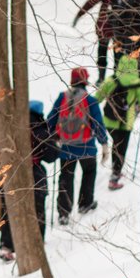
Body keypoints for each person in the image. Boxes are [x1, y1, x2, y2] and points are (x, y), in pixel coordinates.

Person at [0, 100, 59, 261]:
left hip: (9, 173)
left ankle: (6, 246)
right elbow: (52, 156)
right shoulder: (40, 130)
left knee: (8, 208)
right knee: (37, 209)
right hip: (34, 174)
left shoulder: (10, 126)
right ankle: (36, 242)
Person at [47, 67, 109, 221]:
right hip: (87, 147)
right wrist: (104, 144)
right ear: (85, 81)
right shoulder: (90, 100)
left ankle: (63, 213)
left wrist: (54, 137)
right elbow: (98, 124)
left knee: (66, 177)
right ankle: (85, 204)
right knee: (89, 172)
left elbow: (50, 120)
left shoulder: (62, 97)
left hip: (66, 147)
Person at [94, 54, 140, 190]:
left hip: (109, 120)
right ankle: (115, 176)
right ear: (135, 67)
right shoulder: (137, 84)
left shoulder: (110, 80)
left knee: (115, 146)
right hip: (126, 123)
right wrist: (138, 107)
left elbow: (96, 99)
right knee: (120, 149)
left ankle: (115, 172)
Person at [72, 0, 132, 82]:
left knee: (102, 51)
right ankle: (116, 79)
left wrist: (79, 14)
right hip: (120, 27)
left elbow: (92, 1)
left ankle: (101, 78)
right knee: (118, 53)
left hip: (104, 25)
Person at [107, 0, 140, 85]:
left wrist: (119, 39)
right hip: (139, 40)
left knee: (130, 66)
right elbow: (117, 23)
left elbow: (117, 23)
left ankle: (129, 88)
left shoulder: (127, 2)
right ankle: (139, 89)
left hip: (131, 40)